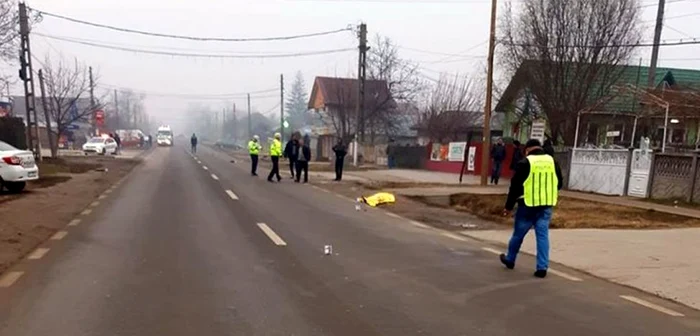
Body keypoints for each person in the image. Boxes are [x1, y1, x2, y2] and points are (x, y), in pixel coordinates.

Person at [499, 139, 563, 278]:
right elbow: (559, 183)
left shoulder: (525, 163)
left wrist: (508, 207)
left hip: (527, 206)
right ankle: (542, 268)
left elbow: (515, 188)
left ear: (527, 150)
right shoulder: (552, 161)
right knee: (542, 236)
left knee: (518, 235)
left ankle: (510, 259)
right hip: (546, 205)